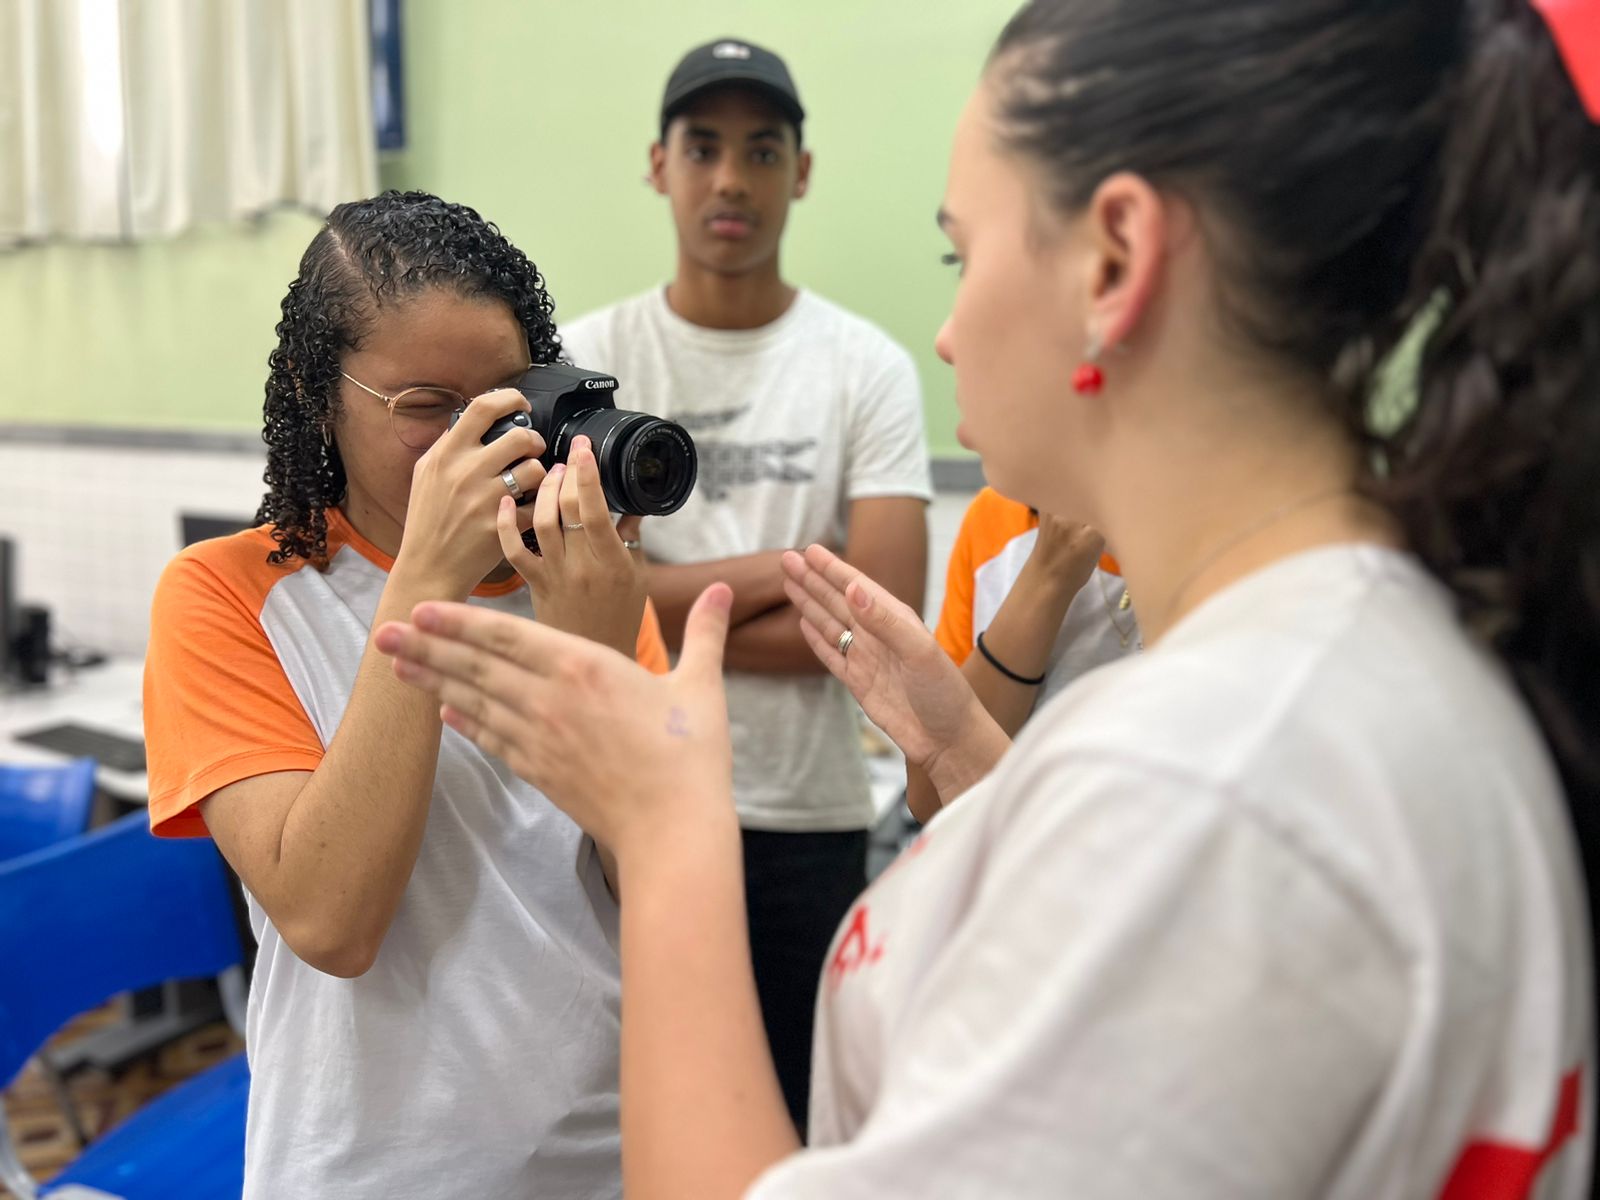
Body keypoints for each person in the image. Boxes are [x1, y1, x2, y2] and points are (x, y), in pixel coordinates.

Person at [376, 1, 1600, 1196]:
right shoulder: (1349, 660)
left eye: (963, 256)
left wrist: (663, 830)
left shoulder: (1200, 786)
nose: (948, 332)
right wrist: (961, 747)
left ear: (1114, 260)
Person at [143, 191, 666, 1199]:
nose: (477, 445)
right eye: (428, 407)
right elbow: (333, 921)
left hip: (609, 1155)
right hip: (370, 1169)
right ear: (315, 388)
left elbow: (659, 904)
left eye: (505, 403)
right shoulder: (224, 598)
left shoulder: (582, 579)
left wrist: (596, 664)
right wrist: (421, 583)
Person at [559, 37, 932, 1132]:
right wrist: (788, 573)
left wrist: (652, 597)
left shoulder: (865, 366)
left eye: (761, 151)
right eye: (704, 147)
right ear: (658, 164)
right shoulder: (589, 359)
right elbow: (568, 598)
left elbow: (875, 630)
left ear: (799, 173)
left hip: (804, 818)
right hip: (613, 814)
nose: (731, 178)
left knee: (783, 1130)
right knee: (623, 1128)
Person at [908, 487, 1139, 820]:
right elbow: (930, 798)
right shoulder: (997, 516)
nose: (967, 436)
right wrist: (1049, 574)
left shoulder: (1224, 529)